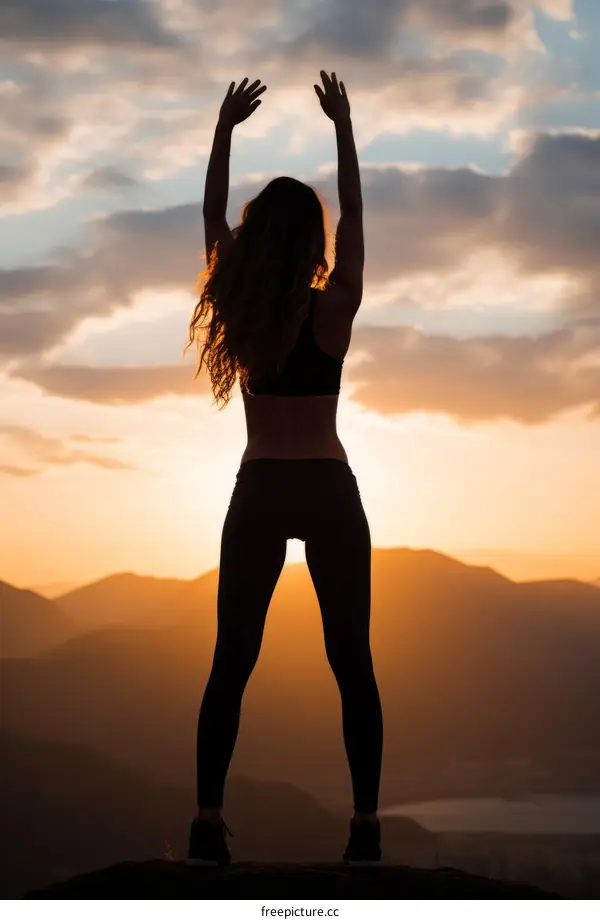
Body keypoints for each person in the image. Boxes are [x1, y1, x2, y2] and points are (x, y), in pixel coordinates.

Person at [184, 71, 383, 866]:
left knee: (232, 660)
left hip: (261, 487)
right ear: (313, 242)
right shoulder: (333, 308)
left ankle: (206, 823)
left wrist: (224, 131)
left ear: (259, 236)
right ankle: (365, 831)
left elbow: (207, 216)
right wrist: (343, 126)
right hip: (329, 488)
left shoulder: (242, 304)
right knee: (353, 663)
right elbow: (359, 213)